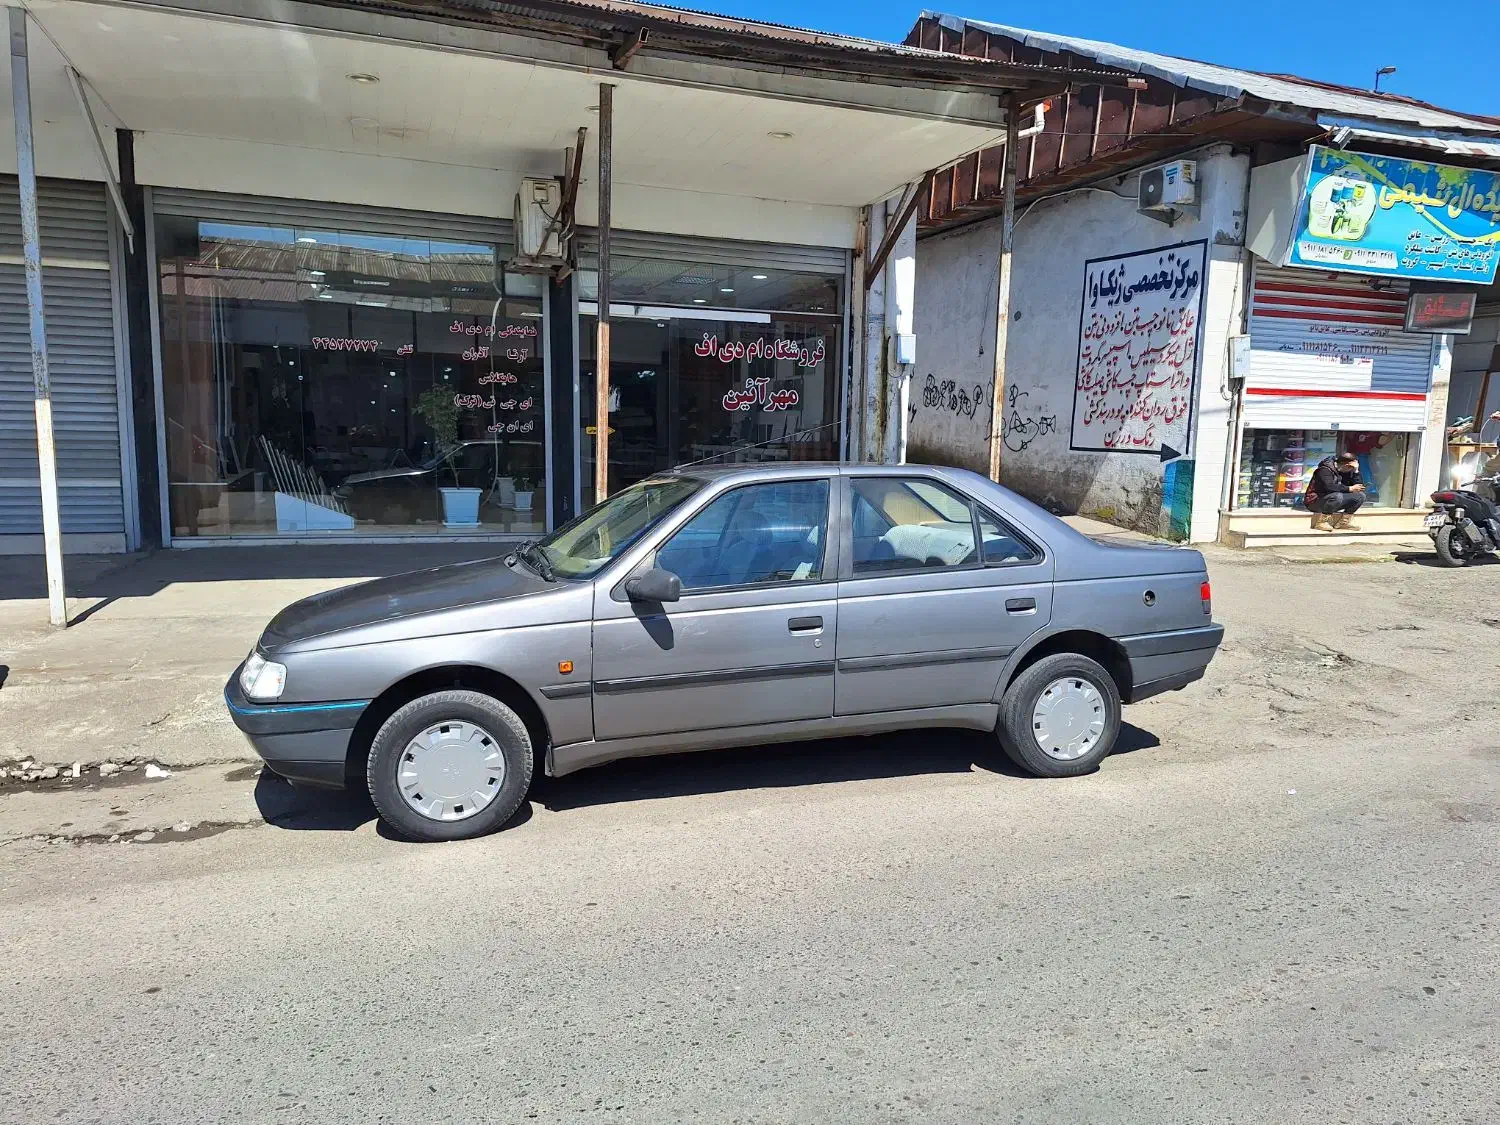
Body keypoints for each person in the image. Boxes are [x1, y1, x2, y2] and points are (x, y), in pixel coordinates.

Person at [1302, 451, 1366, 532]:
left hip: (1333, 500)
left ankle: (1344, 522)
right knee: (1337, 496)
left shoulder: (1346, 471)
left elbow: (1359, 487)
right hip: (1315, 501)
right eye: (1351, 468)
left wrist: (1356, 471)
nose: (1351, 470)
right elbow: (1329, 487)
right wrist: (1349, 489)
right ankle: (1322, 522)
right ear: (1346, 465)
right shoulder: (1324, 470)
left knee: (1360, 496)